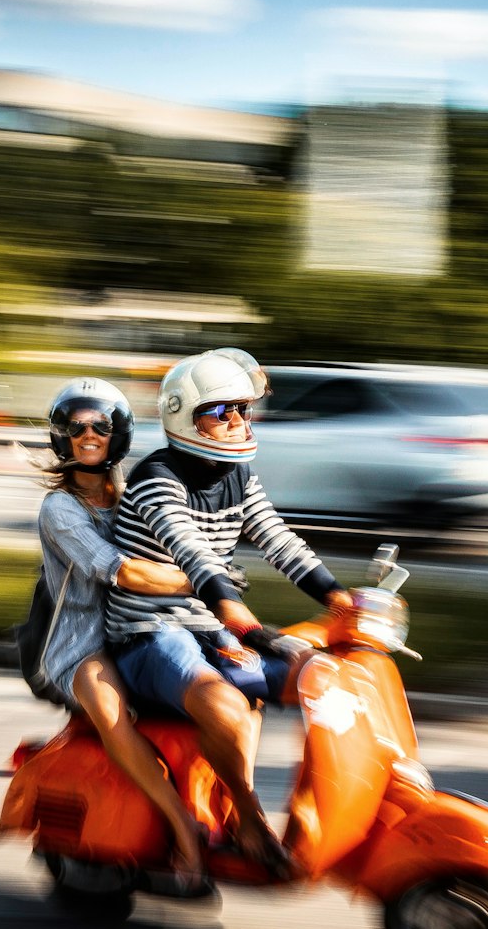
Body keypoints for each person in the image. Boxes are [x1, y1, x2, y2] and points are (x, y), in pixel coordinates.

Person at [106, 348, 353, 877]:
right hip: (149, 632)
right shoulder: (157, 476)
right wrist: (234, 613)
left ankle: (315, 815)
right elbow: (190, 549)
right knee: (225, 706)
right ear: (182, 415)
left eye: (242, 409)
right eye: (220, 412)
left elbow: (278, 539)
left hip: (208, 627)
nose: (237, 421)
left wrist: (338, 597)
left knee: (324, 680)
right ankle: (247, 818)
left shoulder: (239, 473)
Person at [37, 377, 206, 893]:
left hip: (142, 630)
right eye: (76, 426)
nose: (88, 434)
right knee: (112, 713)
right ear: (61, 436)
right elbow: (119, 571)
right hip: (83, 646)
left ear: (121, 433)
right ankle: (184, 830)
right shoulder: (60, 509)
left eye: (101, 425)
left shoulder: (134, 490)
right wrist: (205, 577)